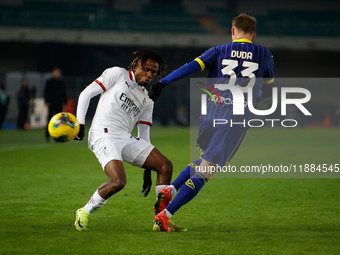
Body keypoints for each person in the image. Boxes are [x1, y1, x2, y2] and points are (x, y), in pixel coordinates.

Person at [149, 13, 275, 231]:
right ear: (253, 34)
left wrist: (164, 81)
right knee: (207, 172)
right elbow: (268, 85)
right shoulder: (264, 54)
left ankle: (170, 190)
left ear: (233, 31)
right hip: (235, 118)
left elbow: (190, 67)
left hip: (211, 115)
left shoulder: (218, 50)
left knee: (203, 162)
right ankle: (165, 217)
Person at [73, 49, 181, 232]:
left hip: (125, 137)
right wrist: (80, 124)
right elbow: (86, 93)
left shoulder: (147, 99)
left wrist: (148, 171)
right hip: (103, 134)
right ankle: (84, 211)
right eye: (146, 69)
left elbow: (144, 135)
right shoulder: (118, 74)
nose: (149, 75)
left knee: (165, 166)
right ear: (136, 64)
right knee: (118, 182)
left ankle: (160, 220)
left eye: (153, 72)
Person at [44, 67, 67, 141]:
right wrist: (47, 101)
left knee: (59, 121)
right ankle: (47, 136)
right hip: (51, 103)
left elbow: (64, 93)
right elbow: (46, 92)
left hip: (59, 103)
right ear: (53, 73)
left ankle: (59, 136)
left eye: (58, 72)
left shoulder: (61, 82)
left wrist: (65, 102)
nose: (57, 74)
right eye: (56, 72)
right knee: (50, 120)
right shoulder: (49, 82)